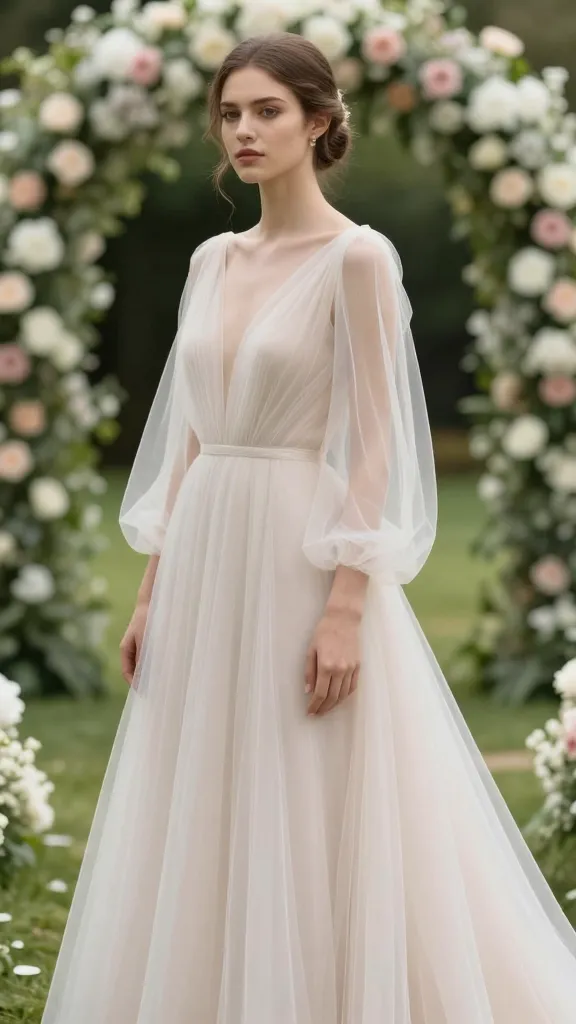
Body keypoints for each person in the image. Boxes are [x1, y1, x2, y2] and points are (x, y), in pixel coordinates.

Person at [41, 31, 576, 1024]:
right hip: (205, 550)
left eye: (267, 111)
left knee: (305, 773)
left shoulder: (359, 258)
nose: (244, 130)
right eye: (231, 112)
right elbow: (195, 432)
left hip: (298, 548)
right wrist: (153, 589)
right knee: (200, 778)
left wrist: (345, 602)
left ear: (320, 121)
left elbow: (374, 441)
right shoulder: (211, 259)